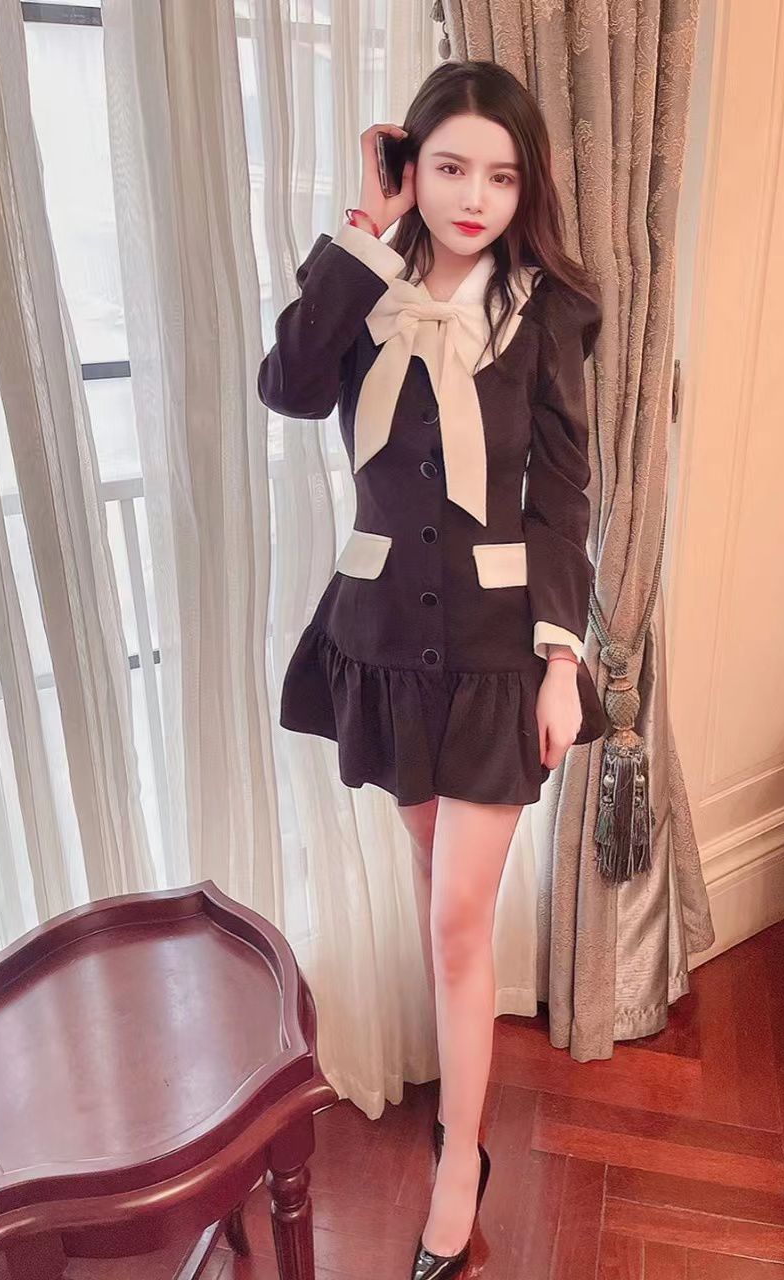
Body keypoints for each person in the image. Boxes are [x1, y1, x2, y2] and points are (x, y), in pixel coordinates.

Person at [258, 58, 607, 1280]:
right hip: (382, 645)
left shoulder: (545, 313)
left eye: (499, 177)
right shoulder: (364, 285)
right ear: (412, 167)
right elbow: (289, 385)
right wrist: (365, 225)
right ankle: (459, 1103)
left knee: (458, 912)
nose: (473, 198)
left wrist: (562, 658)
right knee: (431, 887)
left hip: (501, 655)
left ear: (525, 189)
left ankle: (459, 1161)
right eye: (449, 168)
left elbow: (562, 500)